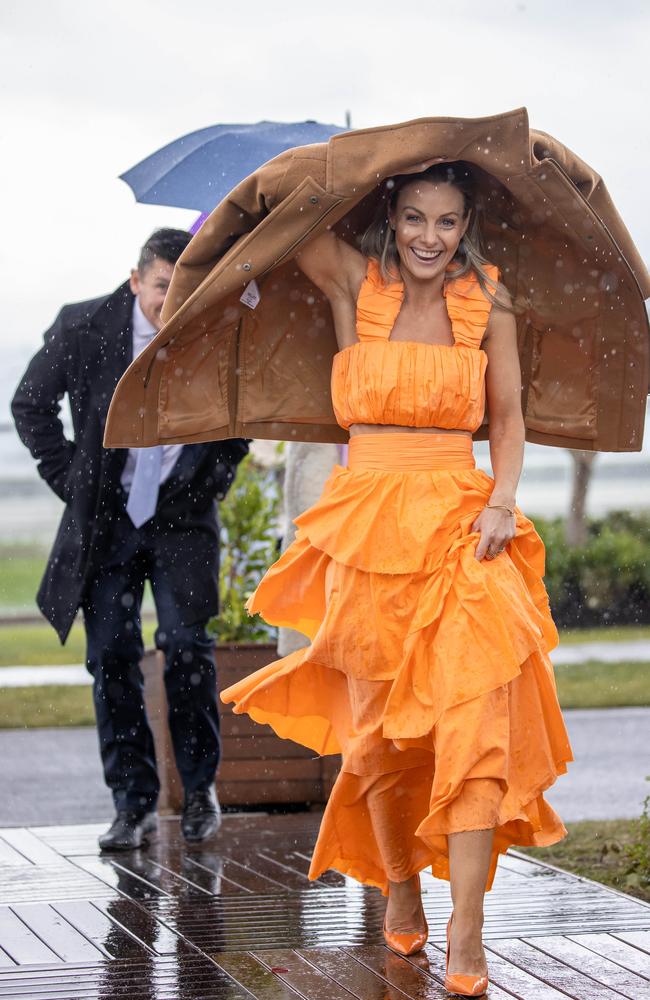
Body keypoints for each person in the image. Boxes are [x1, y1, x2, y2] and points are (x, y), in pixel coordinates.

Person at [219, 163, 573, 997]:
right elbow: (283, 212)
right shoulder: (351, 278)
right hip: (369, 529)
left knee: (476, 717)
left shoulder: (491, 299)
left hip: (462, 523)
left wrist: (504, 499)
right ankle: (402, 883)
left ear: (466, 224)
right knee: (380, 731)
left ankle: (468, 927)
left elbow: (511, 416)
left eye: (446, 222)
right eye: (414, 216)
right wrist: (362, 159)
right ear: (392, 213)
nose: (428, 237)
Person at [11, 229, 249, 852]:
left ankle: (199, 791)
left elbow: (240, 417)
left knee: (186, 648)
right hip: (108, 523)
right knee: (112, 655)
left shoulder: (210, 331)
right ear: (136, 278)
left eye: (183, 289)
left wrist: (213, 479)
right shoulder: (84, 325)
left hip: (182, 517)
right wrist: (73, 482)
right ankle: (132, 803)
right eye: (162, 287)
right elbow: (31, 403)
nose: (171, 303)